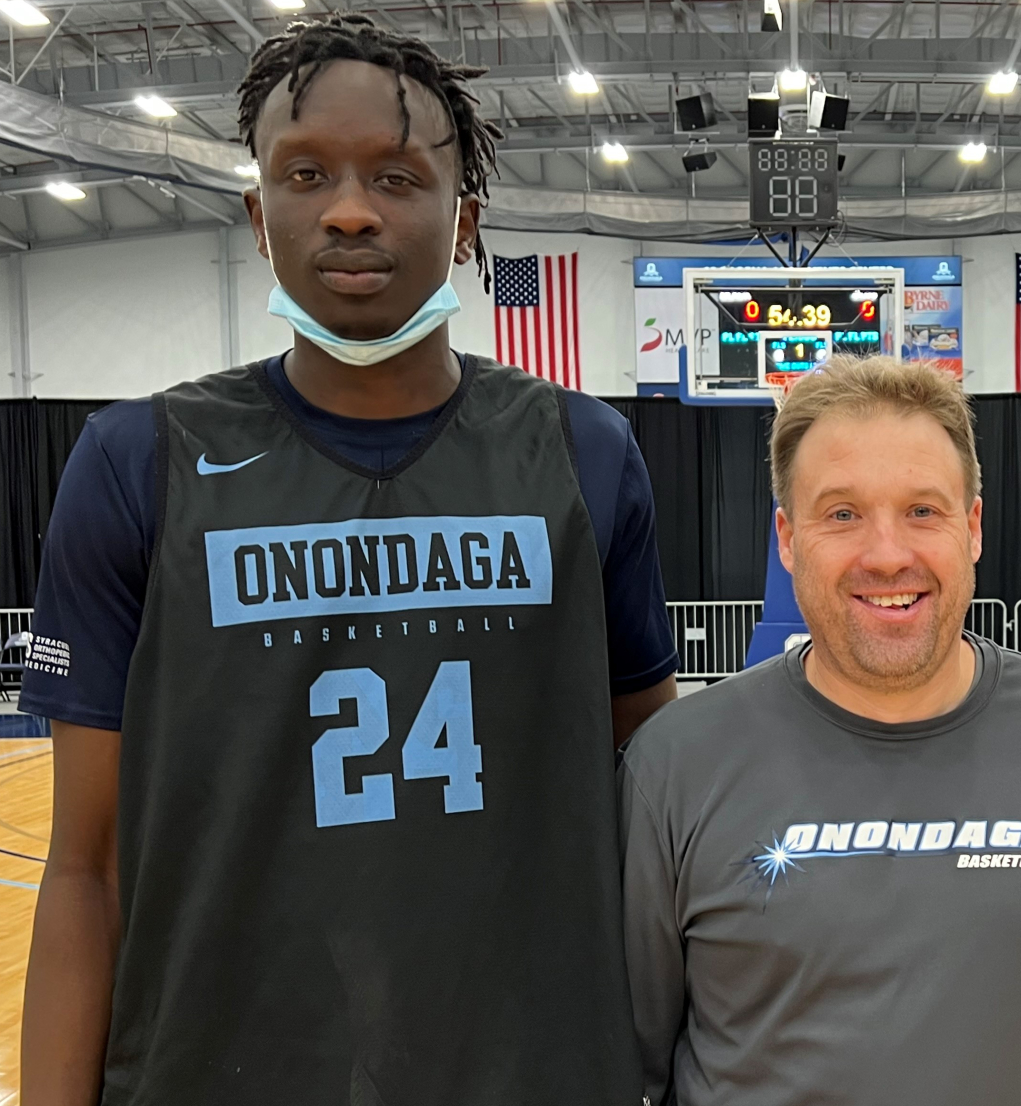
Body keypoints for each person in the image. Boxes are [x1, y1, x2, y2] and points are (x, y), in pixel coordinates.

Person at [20, 14, 674, 1104]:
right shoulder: (137, 461)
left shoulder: (582, 451)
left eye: (399, 176)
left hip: (533, 1069)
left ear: (465, 224)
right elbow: (82, 869)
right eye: (306, 172)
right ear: (255, 213)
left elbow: (657, 805)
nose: (353, 207)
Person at [620, 357, 1021, 1106]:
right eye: (841, 514)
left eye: (922, 511)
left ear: (971, 528)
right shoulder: (674, 764)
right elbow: (631, 1060)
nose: (885, 555)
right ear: (786, 538)